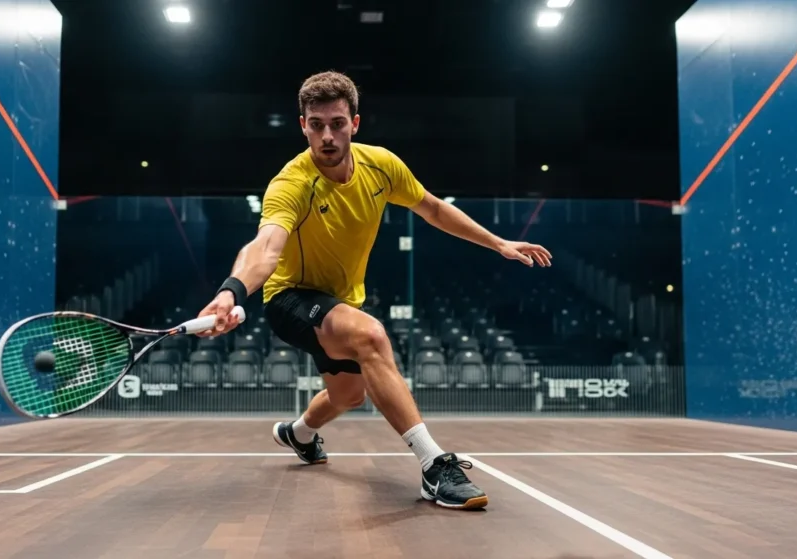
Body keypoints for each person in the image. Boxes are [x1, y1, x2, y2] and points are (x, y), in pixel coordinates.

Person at [196, 71, 552, 510]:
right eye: (316, 124)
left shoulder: (381, 166)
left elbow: (433, 209)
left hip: (338, 301)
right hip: (290, 299)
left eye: (337, 123)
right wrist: (231, 292)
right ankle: (433, 467)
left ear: (355, 124)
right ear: (302, 125)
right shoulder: (291, 183)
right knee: (370, 336)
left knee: (349, 395)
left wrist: (498, 242)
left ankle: (299, 434)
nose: (327, 135)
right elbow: (266, 248)